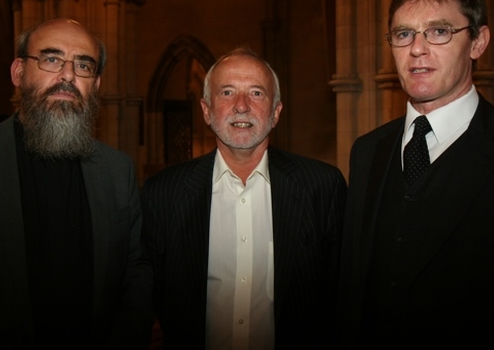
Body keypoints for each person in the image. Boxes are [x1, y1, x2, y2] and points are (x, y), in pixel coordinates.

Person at [0, 18, 153, 349]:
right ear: (18, 72)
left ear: (95, 85)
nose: (67, 75)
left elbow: (135, 271)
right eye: (51, 59)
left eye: (83, 65)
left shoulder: (116, 169)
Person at [337, 0, 494, 348]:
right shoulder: (367, 150)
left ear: (478, 41)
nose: (417, 49)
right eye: (403, 34)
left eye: (438, 32)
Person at [141, 47, 347, 349]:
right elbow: (145, 298)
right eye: (227, 92)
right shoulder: (163, 193)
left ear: (275, 113)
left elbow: (342, 299)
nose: (241, 106)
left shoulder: (322, 187)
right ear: (207, 110)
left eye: (256, 93)